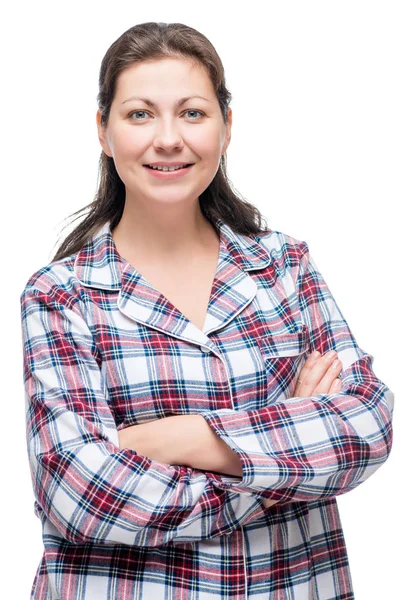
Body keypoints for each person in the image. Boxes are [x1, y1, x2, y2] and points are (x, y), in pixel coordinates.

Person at [20, 21, 394, 600]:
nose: (168, 138)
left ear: (225, 127)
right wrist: (283, 462)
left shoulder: (283, 267)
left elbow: (367, 423)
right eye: (140, 114)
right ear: (103, 130)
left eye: (192, 113)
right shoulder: (61, 295)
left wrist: (164, 440)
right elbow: (80, 492)